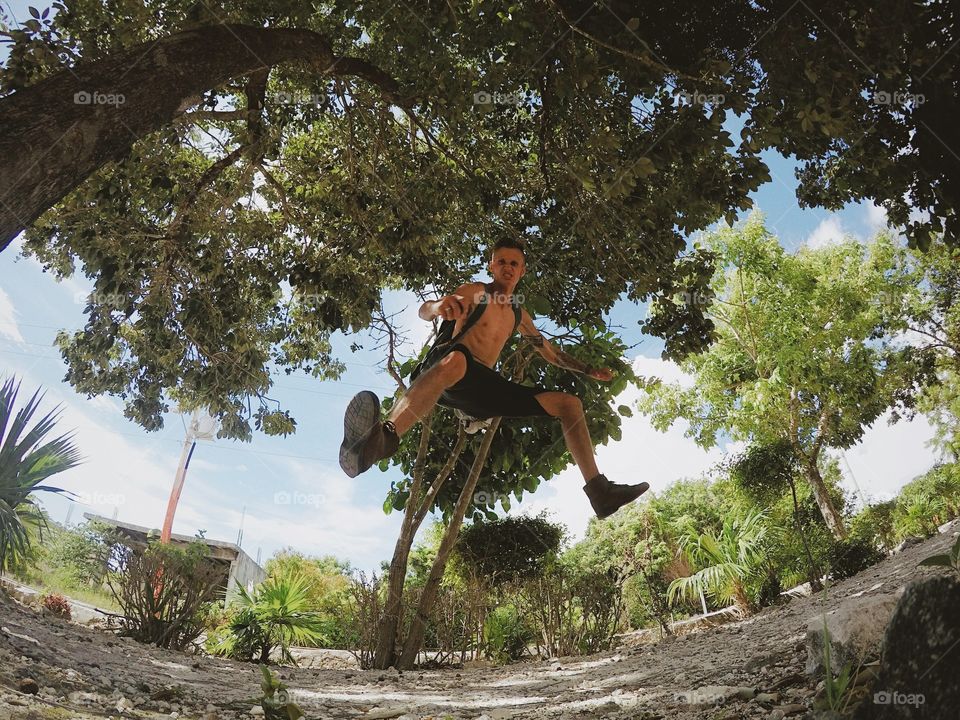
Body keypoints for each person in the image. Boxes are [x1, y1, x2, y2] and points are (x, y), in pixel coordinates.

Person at [339, 238, 649, 518]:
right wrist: (438, 306)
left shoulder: (518, 314)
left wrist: (587, 370)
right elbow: (425, 310)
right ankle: (384, 438)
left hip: (480, 387)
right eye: (501, 261)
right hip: (445, 368)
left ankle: (600, 492)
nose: (507, 267)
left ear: (522, 270)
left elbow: (550, 353)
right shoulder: (477, 292)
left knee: (569, 404)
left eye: (514, 263)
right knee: (457, 360)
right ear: (491, 265)